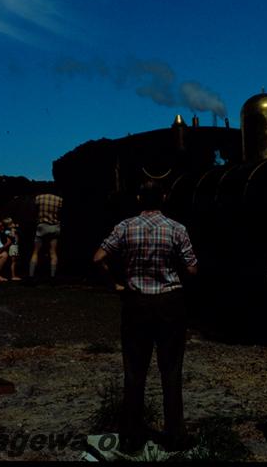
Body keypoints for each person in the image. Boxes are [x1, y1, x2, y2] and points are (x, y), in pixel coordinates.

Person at [93, 180, 198, 454]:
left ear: (139, 198)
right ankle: (174, 435)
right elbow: (192, 268)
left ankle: (131, 436)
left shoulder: (125, 227)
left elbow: (98, 258)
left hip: (136, 302)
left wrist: (114, 284)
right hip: (169, 302)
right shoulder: (176, 228)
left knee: (135, 371)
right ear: (163, 197)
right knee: (171, 370)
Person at [29, 192, 63, 282]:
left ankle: (31, 277)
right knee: (53, 252)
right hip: (55, 227)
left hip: (42, 226)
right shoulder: (59, 199)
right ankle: (52, 277)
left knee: (35, 252)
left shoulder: (39, 197)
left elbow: (33, 211)